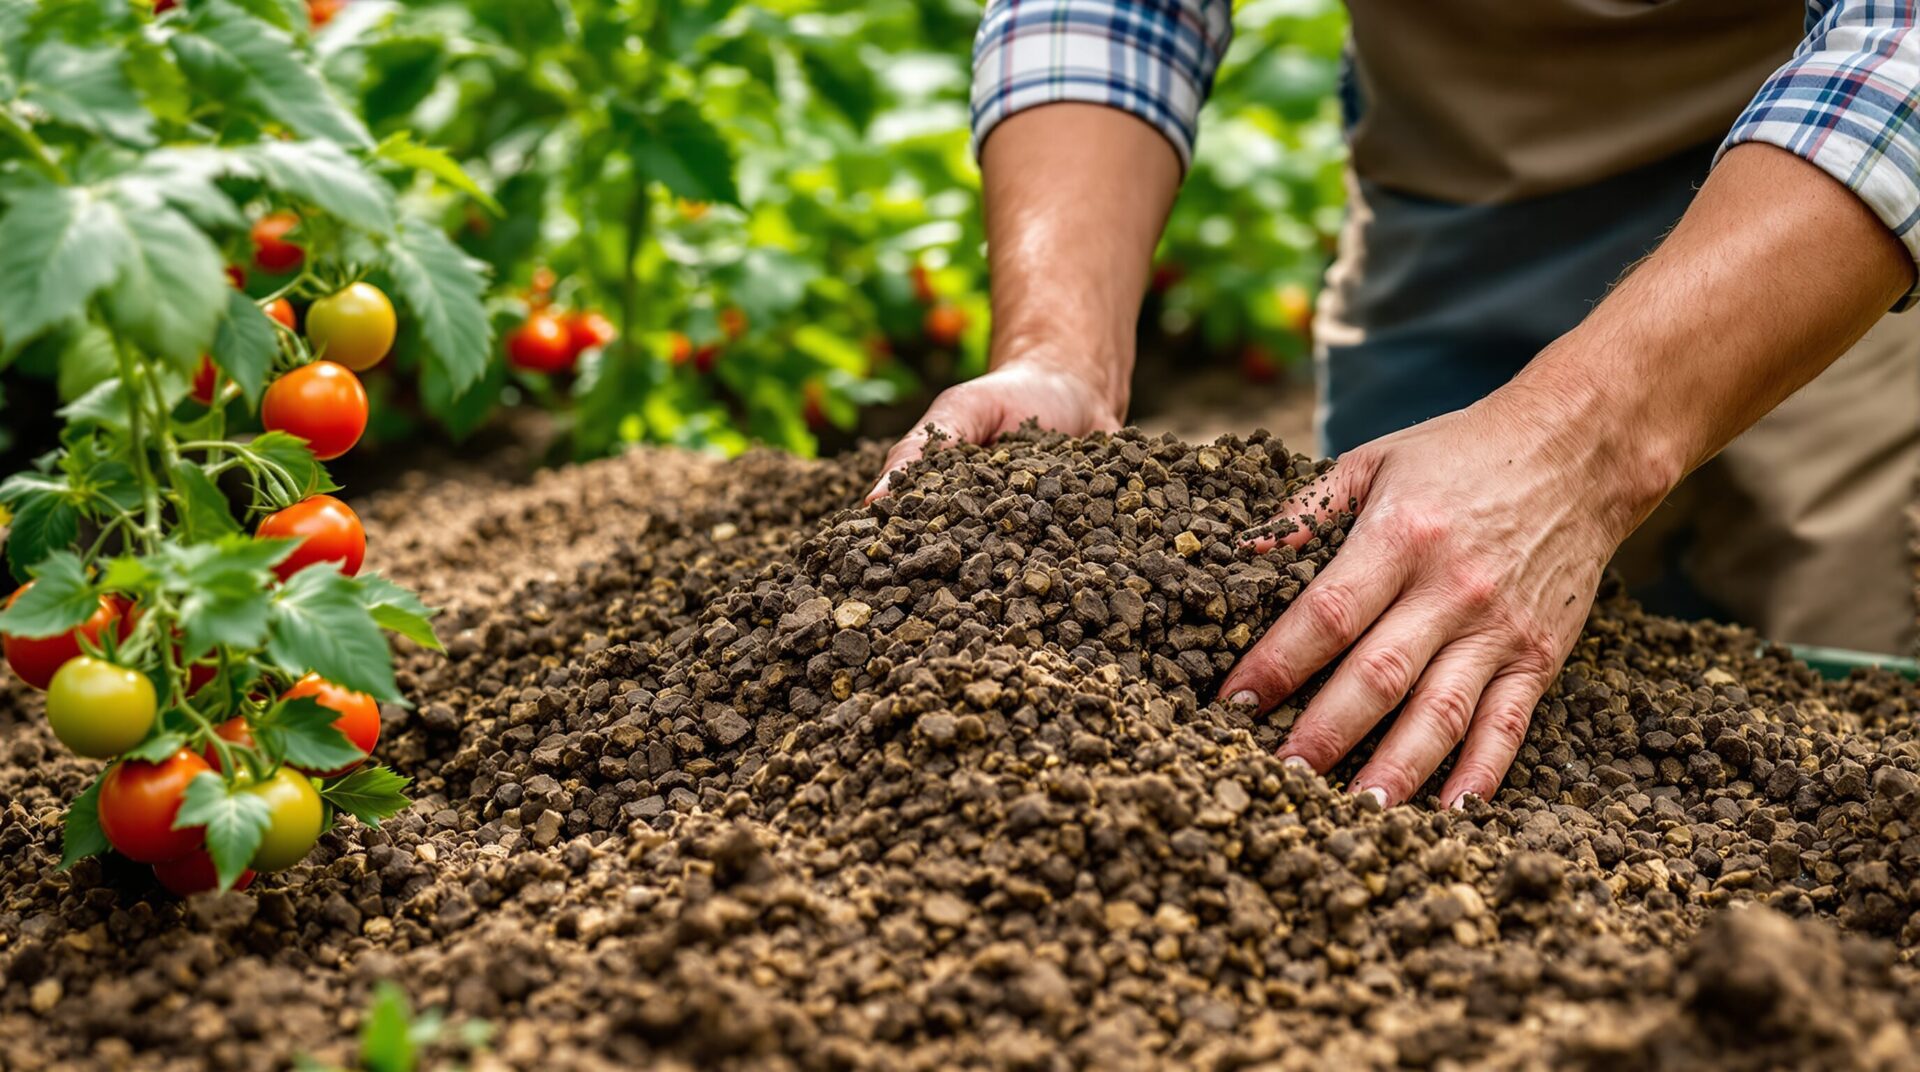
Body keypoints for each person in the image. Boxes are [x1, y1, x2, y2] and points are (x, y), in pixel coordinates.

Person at [870, 1, 1920, 809]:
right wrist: (1063, 352)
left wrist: (1579, 446)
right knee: (1380, 671)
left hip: (1829, 240)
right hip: (1459, 222)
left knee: (1802, 740)